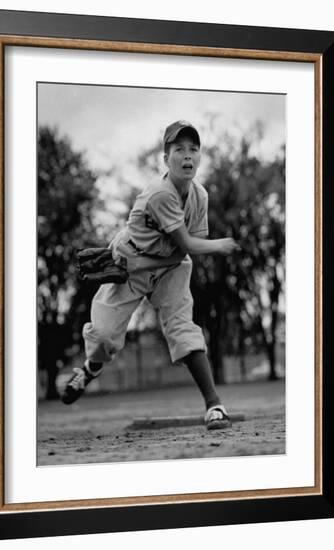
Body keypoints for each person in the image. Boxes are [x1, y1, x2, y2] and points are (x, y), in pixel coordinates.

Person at [62, 120, 238, 430]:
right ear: (165, 158)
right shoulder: (160, 194)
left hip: (169, 267)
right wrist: (218, 245)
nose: (187, 155)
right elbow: (187, 243)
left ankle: (214, 405)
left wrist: (186, 253)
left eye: (193, 149)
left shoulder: (200, 196)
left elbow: (185, 251)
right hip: (127, 262)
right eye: (179, 149)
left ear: (199, 157)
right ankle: (91, 368)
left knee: (183, 327)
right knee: (103, 336)